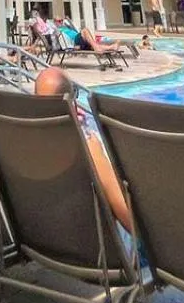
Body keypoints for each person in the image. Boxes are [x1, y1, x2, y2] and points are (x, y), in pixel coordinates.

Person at [34, 67, 130, 228]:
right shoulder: (88, 143)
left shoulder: (22, 137)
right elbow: (129, 221)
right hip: (91, 247)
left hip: (38, 241)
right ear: (72, 100)